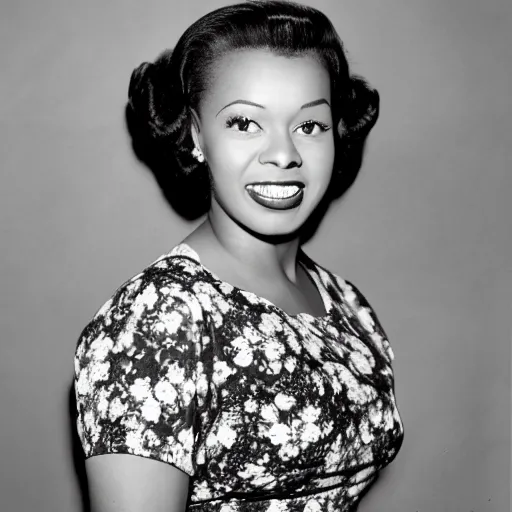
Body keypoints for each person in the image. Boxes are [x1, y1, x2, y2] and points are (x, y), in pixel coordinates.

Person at [74, 1, 404, 510]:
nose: (284, 153)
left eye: (310, 125)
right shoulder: (158, 321)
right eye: (246, 123)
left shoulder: (345, 302)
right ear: (193, 133)